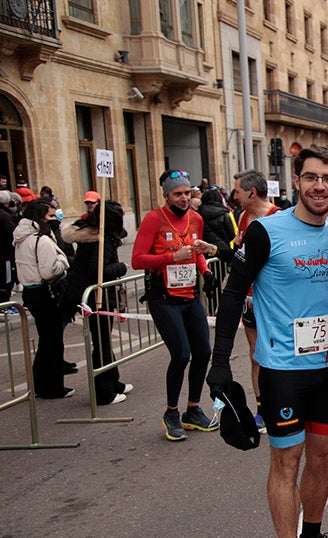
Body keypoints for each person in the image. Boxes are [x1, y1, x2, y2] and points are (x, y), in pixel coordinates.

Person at [207, 146, 328, 538]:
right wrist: (218, 362)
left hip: (326, 366)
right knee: (286, 462)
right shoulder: (266, 231)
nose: (318, 186)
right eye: (310, 177)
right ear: (295, 182)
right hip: (282, 370)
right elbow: (233, 294)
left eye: (327, 178)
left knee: (323, 457)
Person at [131, 170, 219, 441]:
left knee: (203, 352)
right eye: (177, 194)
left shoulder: (196, 219)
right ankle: (171, 412)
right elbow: (137, 260)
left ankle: (192, 410)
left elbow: (195, 252)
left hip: (190, 296)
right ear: (167, 196)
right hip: (164, 299)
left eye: (187, 193)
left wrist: (205, 271)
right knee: (181, 354)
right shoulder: (153, 219)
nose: (184, 198)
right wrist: (171, 257)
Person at [61, 201, 133, 405]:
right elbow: (97, 271)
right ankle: (104, 392)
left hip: (92, 294)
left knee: (104, 341)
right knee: (101, 343)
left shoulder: (94, 236)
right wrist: (121, 267)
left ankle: (113, 382)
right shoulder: (101, 240)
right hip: (96, 298)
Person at [231, 169, 281, 429]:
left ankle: (282, 402)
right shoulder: (243, 217)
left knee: (277, 351)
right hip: (249, 297)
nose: (234, 196)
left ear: (251, 192)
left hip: (273, 299)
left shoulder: (279, 218)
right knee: (256, 354)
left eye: (237, 191)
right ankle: (262, 409)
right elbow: (240, 253)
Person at [12, 199, 72, 398]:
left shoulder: (21, 237)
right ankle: (52, 388)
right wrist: (63, 260)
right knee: (52, 342)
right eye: (50, 216)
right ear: (40, 218)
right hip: (46, 293)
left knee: (46, 341)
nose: (54, 219)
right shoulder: (41, 239)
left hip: (31, 292)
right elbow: (49, 271)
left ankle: (41, 384)